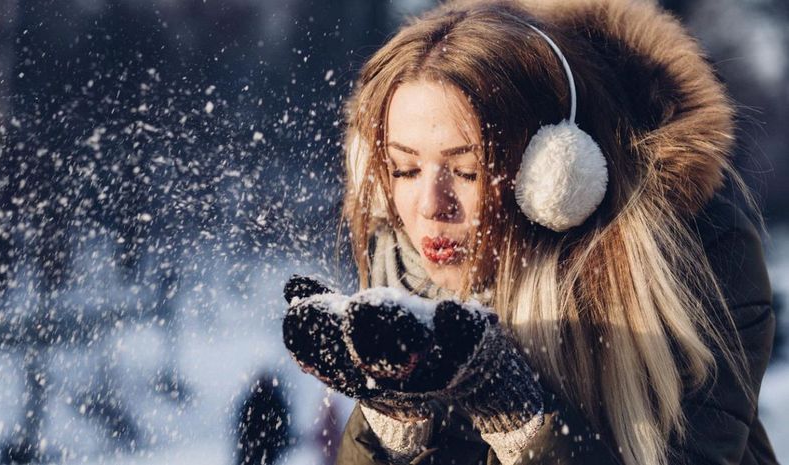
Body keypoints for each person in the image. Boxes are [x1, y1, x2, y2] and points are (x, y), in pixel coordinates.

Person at [281, 0, 778, 464]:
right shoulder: (400, 269)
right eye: (404, 170)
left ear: (555, 175)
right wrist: (394, 426)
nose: (431, 206)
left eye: (468, 171)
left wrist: (520, 420)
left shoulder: (698, 256)